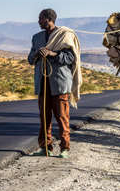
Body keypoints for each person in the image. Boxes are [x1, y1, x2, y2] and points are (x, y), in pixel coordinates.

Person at [27, 8, 82, 158]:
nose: (38, 21)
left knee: (62, 118)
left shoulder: (64, 35)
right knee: (44, 118)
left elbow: (71, 58)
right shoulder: (36, 38)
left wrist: (52, 54)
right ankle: (45, 147)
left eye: (40, 19)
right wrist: (38, 54)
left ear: (48, 19)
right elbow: (30, 59)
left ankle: (65, 149)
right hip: (42, 83)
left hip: (60, 84)